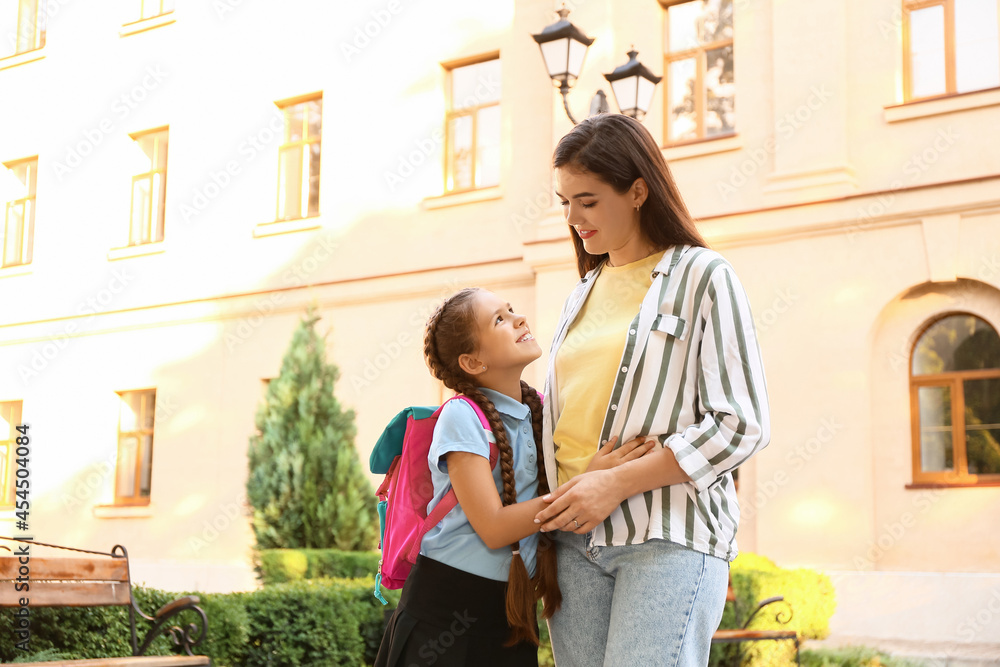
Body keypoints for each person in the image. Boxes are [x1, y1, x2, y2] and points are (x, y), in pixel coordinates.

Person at [532, 113, 771, 667]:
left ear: (638, 190)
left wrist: (615, 482)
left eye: (588, 201)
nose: (573, 218)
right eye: (565, 201)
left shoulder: (704, 276)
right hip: (573, 541)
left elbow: (740, 424)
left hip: (666, 536)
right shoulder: (581, 293)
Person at [374, 287, 653, 667]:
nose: (519, 319)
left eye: (511, 310)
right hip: (442, 615)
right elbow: (493, 526)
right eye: (499, 320)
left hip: (512, 616)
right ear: (472, 362)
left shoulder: (540, 410)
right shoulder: (462, 416)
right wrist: (588, 483)